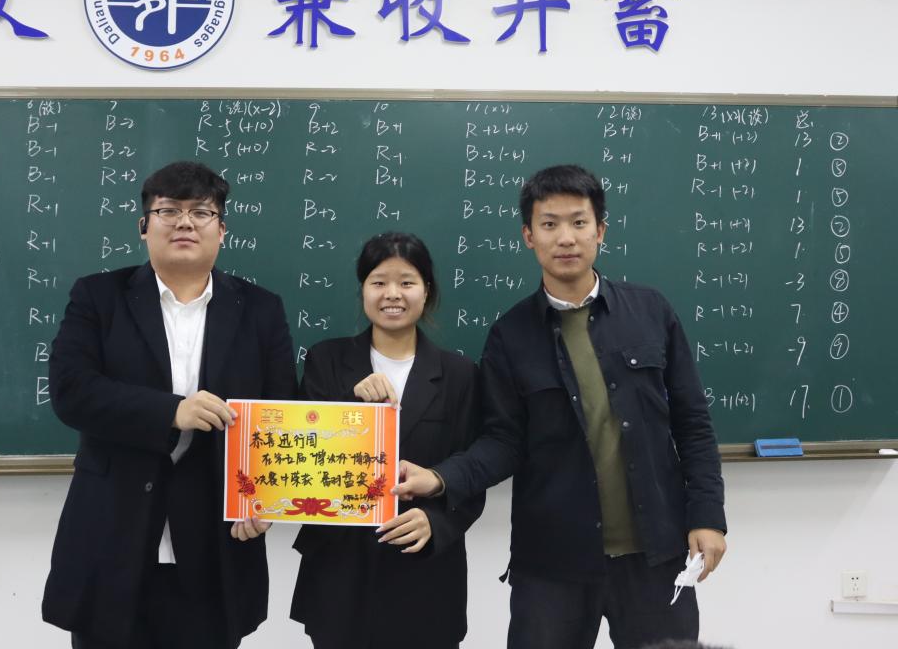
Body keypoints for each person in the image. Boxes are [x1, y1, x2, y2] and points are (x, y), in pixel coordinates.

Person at [394, 165, 727, 649]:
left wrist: (708, 516)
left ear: (601, 231)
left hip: (656, 554)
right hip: (552, 564)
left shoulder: (651, 312)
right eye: (549, 224)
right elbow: (503, 442)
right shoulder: (510, 335)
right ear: (529, 236)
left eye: (579, 222)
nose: (565, 237)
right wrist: (440, 478)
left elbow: (693, 423)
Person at [42, 161, 297, 649]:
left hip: (216, 543)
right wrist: (171, 412)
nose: (185, 223)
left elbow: (279, 412)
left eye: (201, 212)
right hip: (112, 537)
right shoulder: (98, 296)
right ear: (144, 226)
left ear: (222, 230)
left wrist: (266, 500)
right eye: (169, 211)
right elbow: (72, 390)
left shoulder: (261, 309)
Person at [290, 232, 484, 649]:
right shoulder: (326, 359)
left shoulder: (460, 374)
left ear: (426, 291)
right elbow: (302, 455)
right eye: (378, 282)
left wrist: (438, 522)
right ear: (363, 289)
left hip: (425, 572)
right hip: (340, 573)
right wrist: (351, 404)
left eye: (406, 282)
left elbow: (473, 470)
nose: (392, 294)